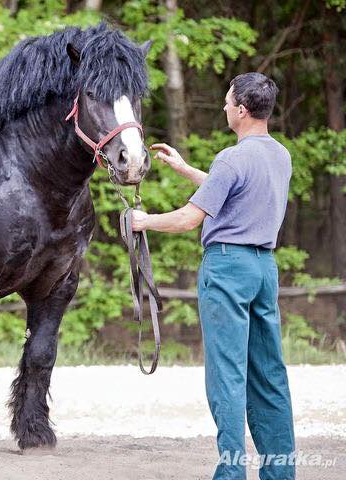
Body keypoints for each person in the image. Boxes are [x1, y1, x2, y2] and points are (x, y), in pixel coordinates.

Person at [130, 72, 296, 480]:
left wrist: (143, 221)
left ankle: (231, 473)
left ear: (241, 110)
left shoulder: (232, 158)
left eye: (227, 102)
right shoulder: (278, 155)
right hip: (263, 269)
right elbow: (233, 189)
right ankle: (280, 473)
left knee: (227, 375)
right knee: (269, 374)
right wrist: (185, 169)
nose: (224, 108)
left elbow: (190, 219)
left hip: (227, 267)